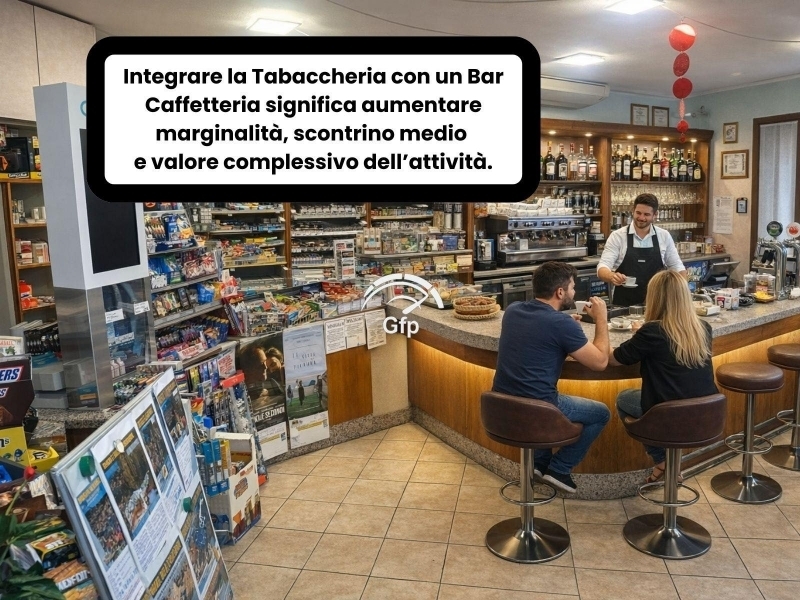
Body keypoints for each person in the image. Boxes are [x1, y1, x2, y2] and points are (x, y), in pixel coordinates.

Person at [492, 261, 611, 493]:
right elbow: (600, 362)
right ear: (560, 292)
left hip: (500, 408)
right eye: (572, 287)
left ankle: (539, 465)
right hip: (540, 411)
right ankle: (559, 469)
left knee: (536, 399)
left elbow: (541, 333)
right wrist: (601, 319)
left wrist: (567, 329)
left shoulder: (513, 310)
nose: (574, 292)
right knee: (601, 413)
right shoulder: (561, 324)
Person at [608, 270, 718, 483]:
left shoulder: (652, 331)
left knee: (623, 399)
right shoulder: (703, 328)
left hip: (667, 416)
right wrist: (641, 336)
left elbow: (613, 360)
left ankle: (663, 461)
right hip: (706, 415)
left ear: (654, 297)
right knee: (671, 401)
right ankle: (670, 464)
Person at [597, 193, 687, 307]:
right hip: (623, 304)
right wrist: (612, 276)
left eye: (646, 214)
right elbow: (602, 268)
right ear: (633, 211)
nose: (641, 218)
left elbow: (677, 267)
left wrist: (683, 294)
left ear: (655, 215)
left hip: (657, 304)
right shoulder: (618, 236)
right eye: (638, 213)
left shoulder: (664, 236)